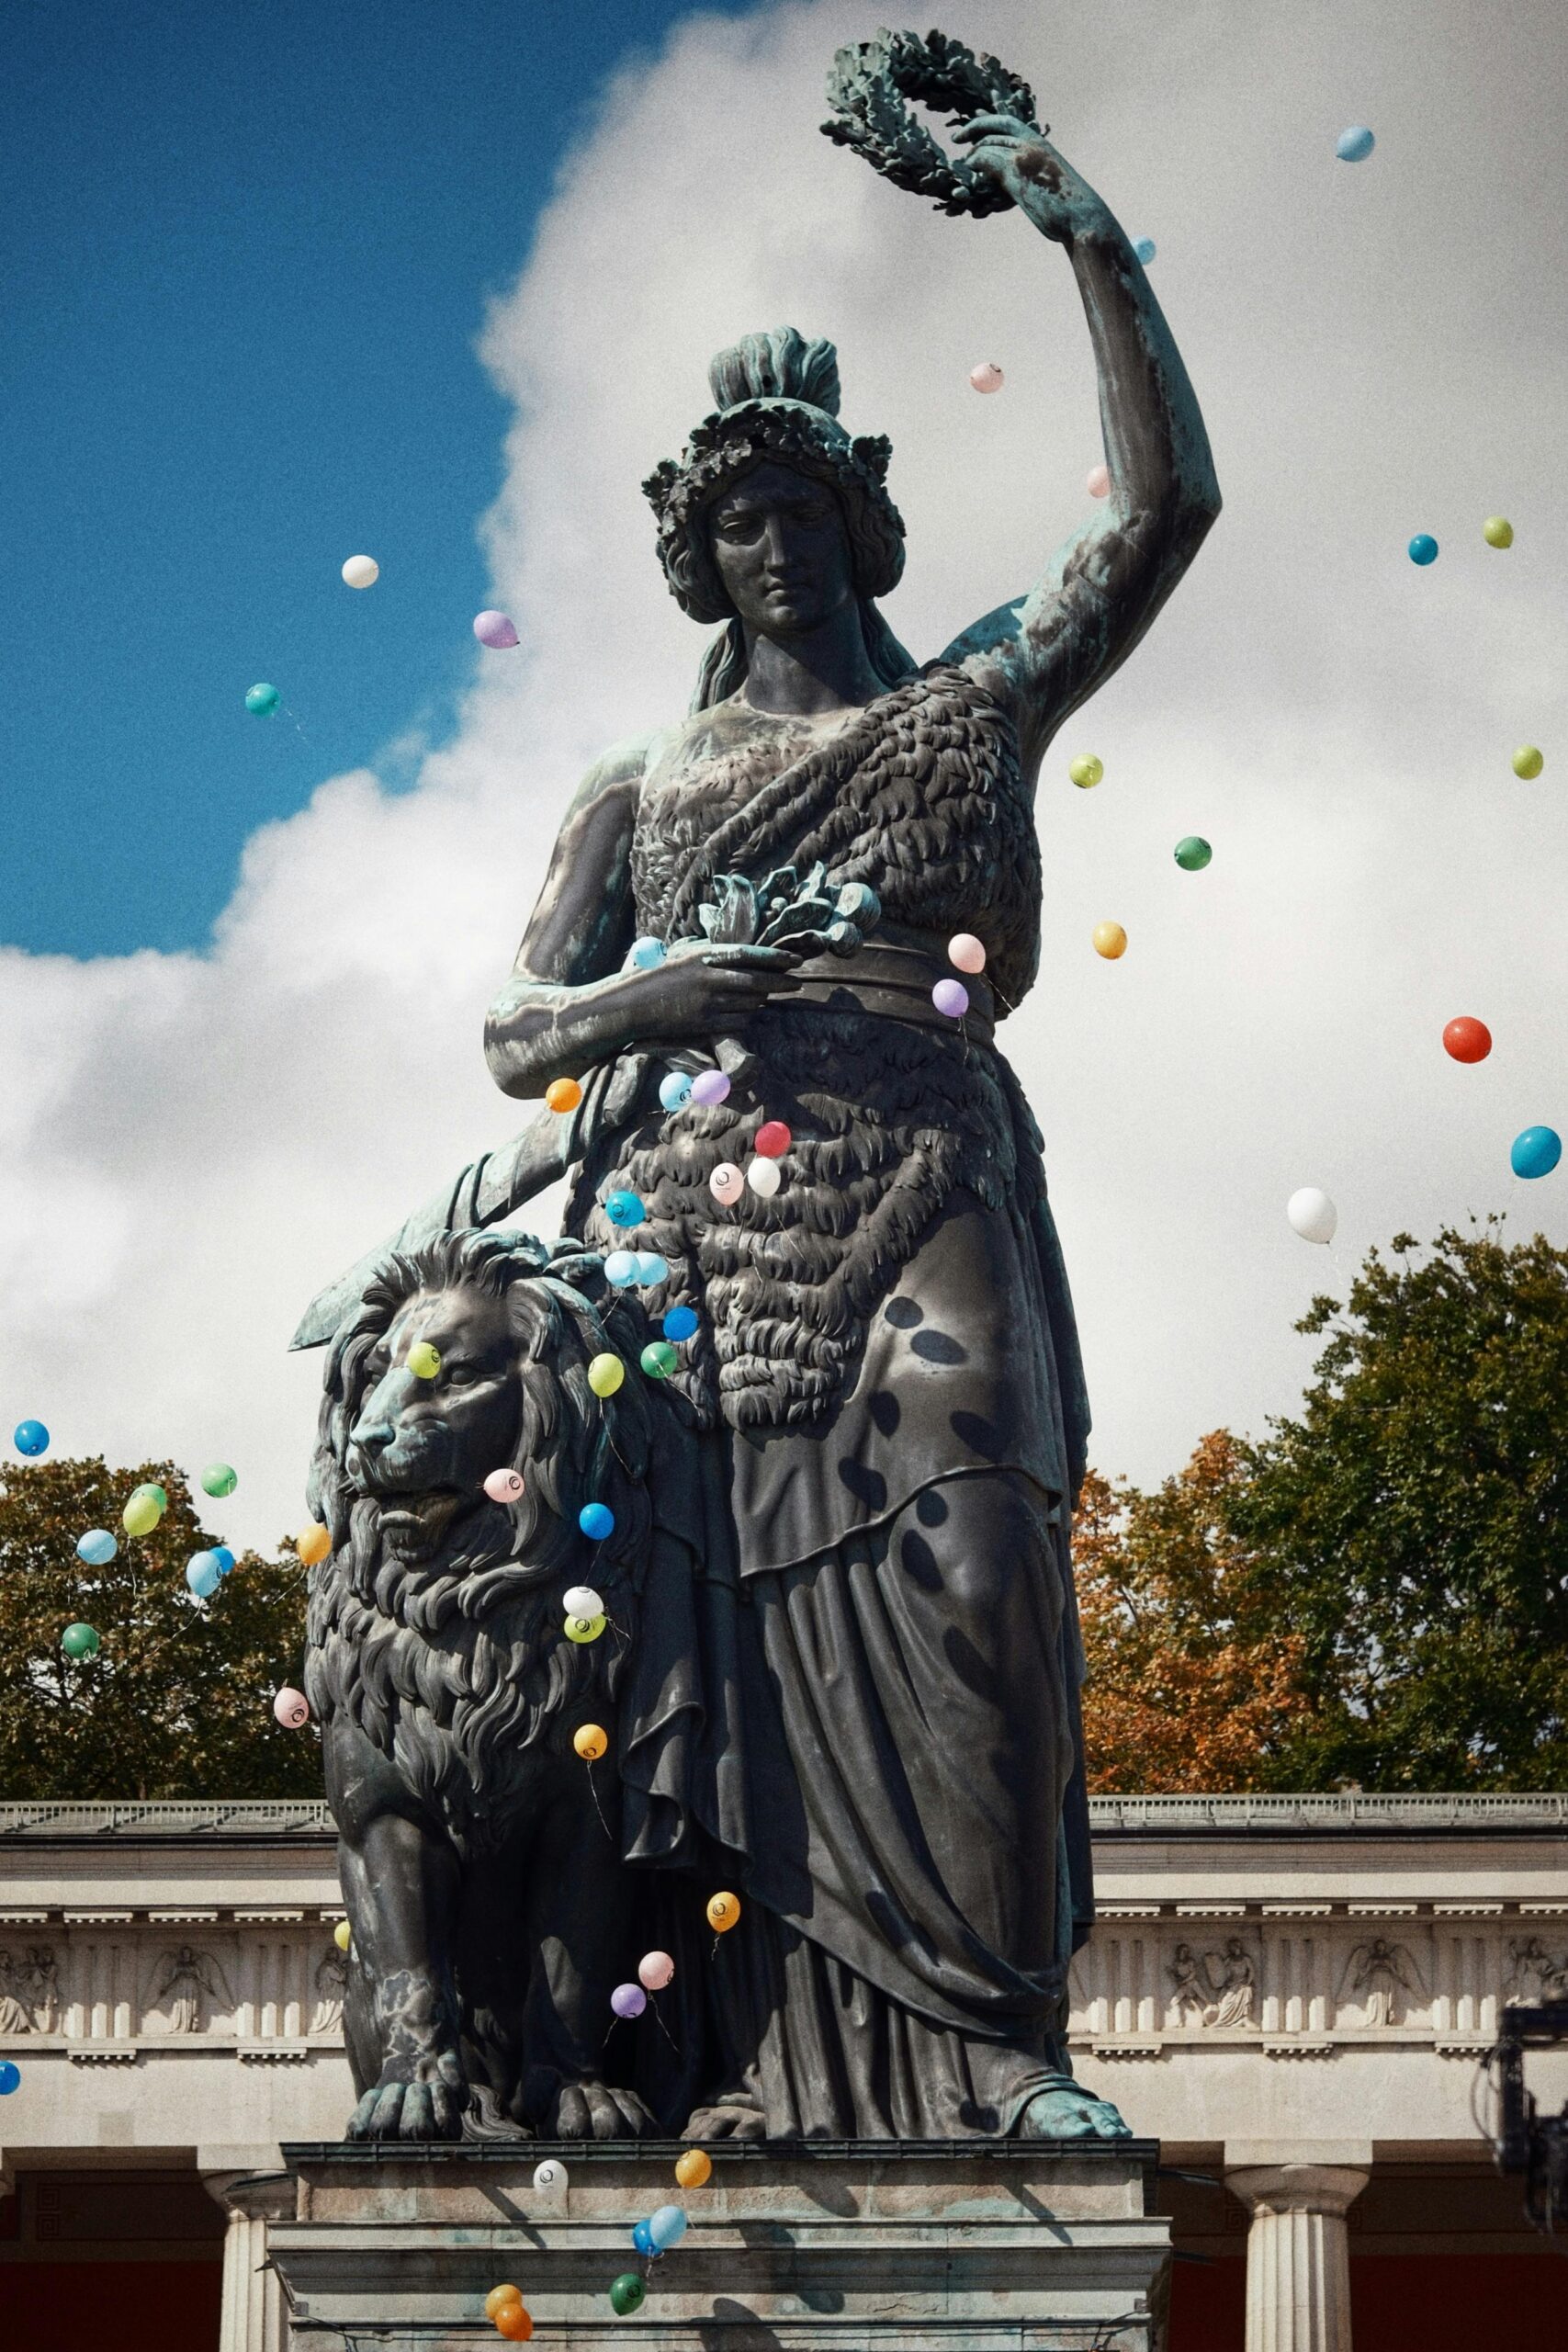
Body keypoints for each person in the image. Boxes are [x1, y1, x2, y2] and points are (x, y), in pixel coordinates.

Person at [481, 110, 1218, 2141]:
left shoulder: (970, 698)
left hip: (918, 1149)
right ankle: (700, 2044)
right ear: (694, 554)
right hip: (690, 1209)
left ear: (855, 524)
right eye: (739, 520)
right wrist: (653, 997)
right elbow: (509, 1027)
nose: (776, 540)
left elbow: (1163, 510)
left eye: (805, 506)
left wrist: (1083, 232)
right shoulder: (640, 778)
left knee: (975, 1551)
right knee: (679, 1630)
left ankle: (991, 2048)